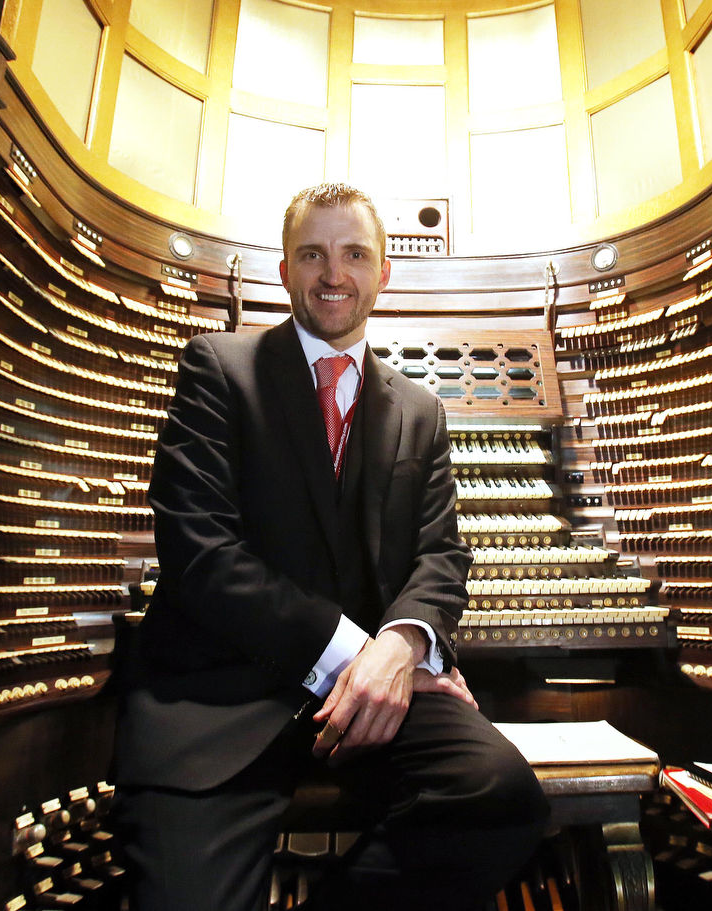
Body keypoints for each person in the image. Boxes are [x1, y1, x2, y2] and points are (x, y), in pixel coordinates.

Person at [112, 183, 549, 911]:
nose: (333, 274)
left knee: (498, 796)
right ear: (284, 271)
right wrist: (364, 655)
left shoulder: (419, 409)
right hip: (220, 702)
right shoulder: (219, 369)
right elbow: (201, 555)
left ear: (383, 272)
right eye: (312, 254)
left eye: (354, 254)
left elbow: (441, 556)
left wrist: (405, 642)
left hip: (374, 702)